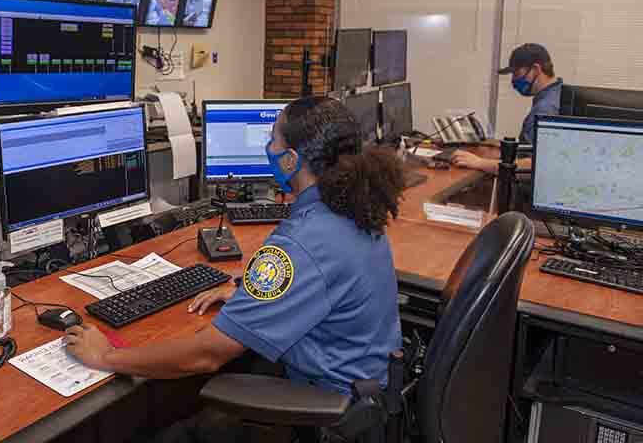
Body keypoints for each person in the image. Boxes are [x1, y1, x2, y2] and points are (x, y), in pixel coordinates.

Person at [64, 97, 406, 440]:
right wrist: (252, 292)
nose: (267, 147)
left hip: (332, 416)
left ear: (291, 160)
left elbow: (208, 354)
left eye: (273, 139)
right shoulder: (352, 206)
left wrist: (108, 356)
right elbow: (321, 279)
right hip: (369, 392)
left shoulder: (303, 241)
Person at [452, 43, 562, 174]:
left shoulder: (546, 108)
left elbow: (536, 164)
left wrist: (480, 163)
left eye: (517, 73)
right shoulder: (558, 94)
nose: (514, 80)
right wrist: (510, 147)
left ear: (536, 69)